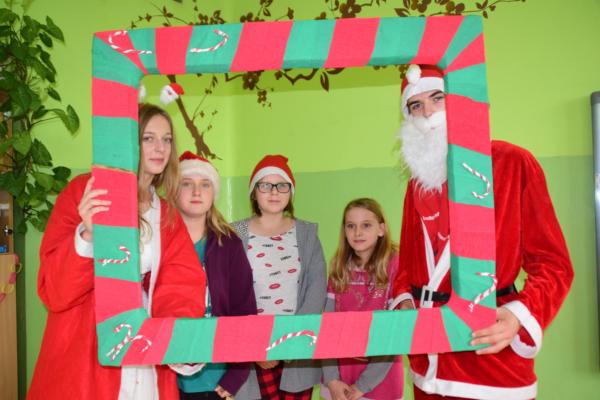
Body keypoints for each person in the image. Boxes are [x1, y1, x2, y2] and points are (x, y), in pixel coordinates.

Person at [390, 64, 574, 400]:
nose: (427, 114)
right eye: (416, 105)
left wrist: (518, 316)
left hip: (491, 364)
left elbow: (554, 265)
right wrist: (404, 301)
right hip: (427, 370)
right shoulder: (417, 183)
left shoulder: (513, 164)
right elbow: (408, 266)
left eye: (438, 98)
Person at [28, 104, 206, 400]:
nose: (160, 148)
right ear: (128, 141)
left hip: (144, 364)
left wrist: (176, 342)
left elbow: (182, 289)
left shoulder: (167, 216)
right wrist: (88, 235)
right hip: (85, 359)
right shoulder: (84, 192)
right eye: (148, 138)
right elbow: (56, 291)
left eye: (167, 139)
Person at [232, 154, 327, 400]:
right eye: (265, 185)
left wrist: (291, 343)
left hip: (296, 350)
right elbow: (230, 294)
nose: (274, 192)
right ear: (254, 192)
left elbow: (316, 290)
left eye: (282, 185)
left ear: (291, 192)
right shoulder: (235, 232)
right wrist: (255, 347)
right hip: (253, 350)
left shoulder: (306, 233)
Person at [175, 151, 257, 399]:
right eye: (186, 183)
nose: (196, 192)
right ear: (173, 190)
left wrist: (237, 374)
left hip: (214, 380)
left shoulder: (229, 244)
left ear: (214, 193)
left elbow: (244, 311)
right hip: (166, 378)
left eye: (205, 184)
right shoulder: (158, 243)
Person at [321, 198, 404, 400]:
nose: (357, 232)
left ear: (381, 229)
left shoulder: (395, 265)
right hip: (338, 382)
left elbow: (395, 335)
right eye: (351, 226)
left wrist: (363, 385)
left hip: (381, 382)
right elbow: (326, 327)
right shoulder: (338, 267)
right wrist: (331, 379)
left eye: (366, 225)